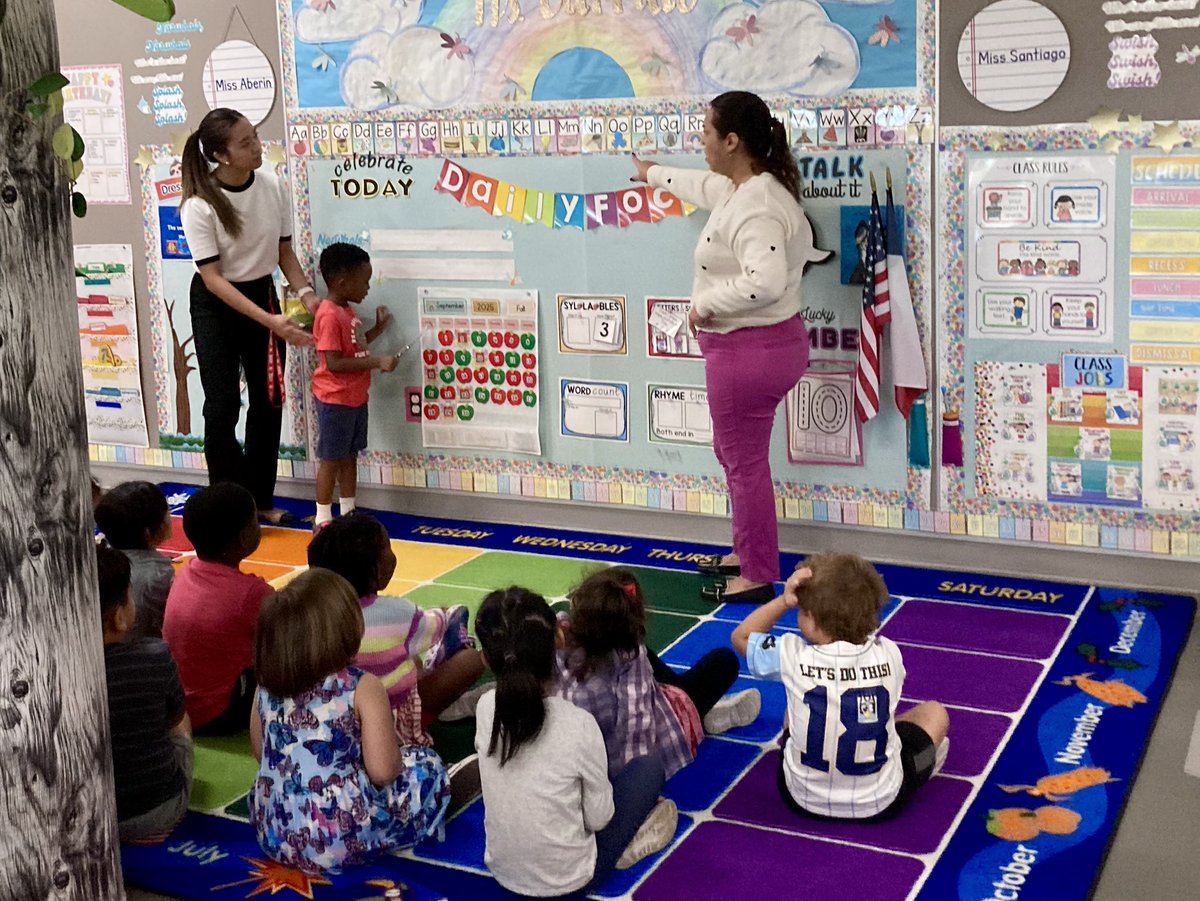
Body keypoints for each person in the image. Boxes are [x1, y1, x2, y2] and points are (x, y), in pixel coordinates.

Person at [630, 91, 824, 603]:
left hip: (750, 351)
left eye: (707, 133)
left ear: (732, 141)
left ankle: (757, 574)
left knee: (743, 463)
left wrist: (704, 306)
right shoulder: (750, 187)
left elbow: (766, 283)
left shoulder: (757, 205)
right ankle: (747, 549)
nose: (701, 141)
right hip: (758, 348)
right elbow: (706, 185)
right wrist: (652, 172)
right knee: (735, 455)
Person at [249, 568, 463, 873]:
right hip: (340, 835)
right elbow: (384, 771)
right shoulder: (360, 686)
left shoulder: (265, 686)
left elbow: (262, 754)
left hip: (272, 828)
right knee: (425, 763)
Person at [475, 587, 677, 897]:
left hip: (503, 873)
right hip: (570, 881)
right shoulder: (577, 723)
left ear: (487, 660)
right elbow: (599, 817)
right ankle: (627, 845)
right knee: (648, 768)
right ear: (558, 637)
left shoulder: (485, 708)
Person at [731, 554, 949, 821]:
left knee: (795, 709)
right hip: (881, 803)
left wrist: (784, 601)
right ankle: (922, 764)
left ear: (811, 620)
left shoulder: (792, 656)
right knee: (935, 713)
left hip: (800, 798)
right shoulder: (889, 653)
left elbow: (741, 636)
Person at [180, 107, 315, 526]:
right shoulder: (199, 206)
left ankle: (259, 501)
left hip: (262, 293)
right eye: (245, 143)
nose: (257, 147)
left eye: (255, 137)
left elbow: (284, 252)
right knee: (221, 406)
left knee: (268, 400)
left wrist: (307, 295)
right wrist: (270, 321)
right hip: (216, 303)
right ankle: (228, 509)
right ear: (222, 155)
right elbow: (215, 280)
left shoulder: (273, 185)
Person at [556, 568, 759, 780]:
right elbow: (636, 725)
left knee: (647, 659)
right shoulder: (631, 658)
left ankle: (705, 711)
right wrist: (638, 786)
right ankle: (704, 713)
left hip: (581, 754)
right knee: (724, 660)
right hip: (672, 719)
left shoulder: (559, 644)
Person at [306, 512, 486, 742]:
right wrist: (445, 615)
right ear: (375, 571)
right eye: (387, 547)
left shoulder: (308, 618)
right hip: (391, 727)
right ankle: (438, 663)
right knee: (470, 659)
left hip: (329, 725)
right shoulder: (394, 613)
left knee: (406, 654)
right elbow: (441, 623)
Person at [98, 542, 193, 843]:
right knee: (180, 723)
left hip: (82, 816)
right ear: (118, 616)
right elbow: (174, 720)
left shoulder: (43, 670)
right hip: (156, 811)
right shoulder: (154, 655)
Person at [163, 482, 272, 734]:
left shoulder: (185, 574)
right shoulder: (252, 594)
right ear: (245, 536)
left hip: (181, 708)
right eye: (255, 522)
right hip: (219, 714)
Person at [312, 243, 399, 529]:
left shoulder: (347, 312)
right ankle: (323, 517)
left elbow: (355, 349)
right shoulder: (328, 315)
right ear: (342, 282)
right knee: (331, 459)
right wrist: (377, 362)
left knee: (349, 456)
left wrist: (378, 329)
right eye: (364, 281)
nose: (368, 288)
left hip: (354, 399)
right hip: (335, 401)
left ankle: (348, 510)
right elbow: (334, 363)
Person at [94, 480, 175, 638]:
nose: (170, 513)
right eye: (167, 511)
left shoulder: (99, 561)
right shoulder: (161, 576)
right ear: (148, 533)